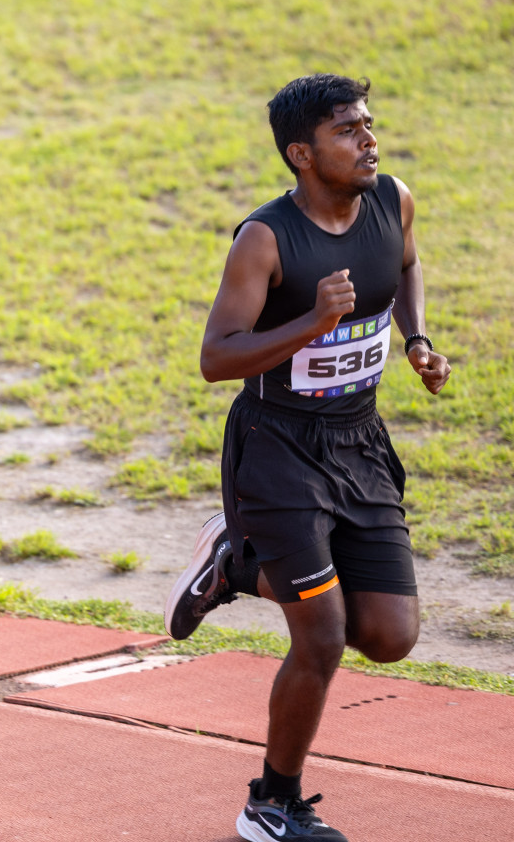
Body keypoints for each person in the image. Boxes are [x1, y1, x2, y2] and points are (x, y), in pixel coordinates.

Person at [164, 74, 451, 841]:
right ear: (301, 154)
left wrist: (416, 338)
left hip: (359, 442)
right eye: (348, 132)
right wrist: (312, 323)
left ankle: (233, 567)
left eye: (368, 125)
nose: (369, 140)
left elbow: (408, 265)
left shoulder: (394, 200)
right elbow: (217, 359)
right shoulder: (266, 239)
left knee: (390, 637)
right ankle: (271, 804)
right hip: (278, 447)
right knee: (320, 636)